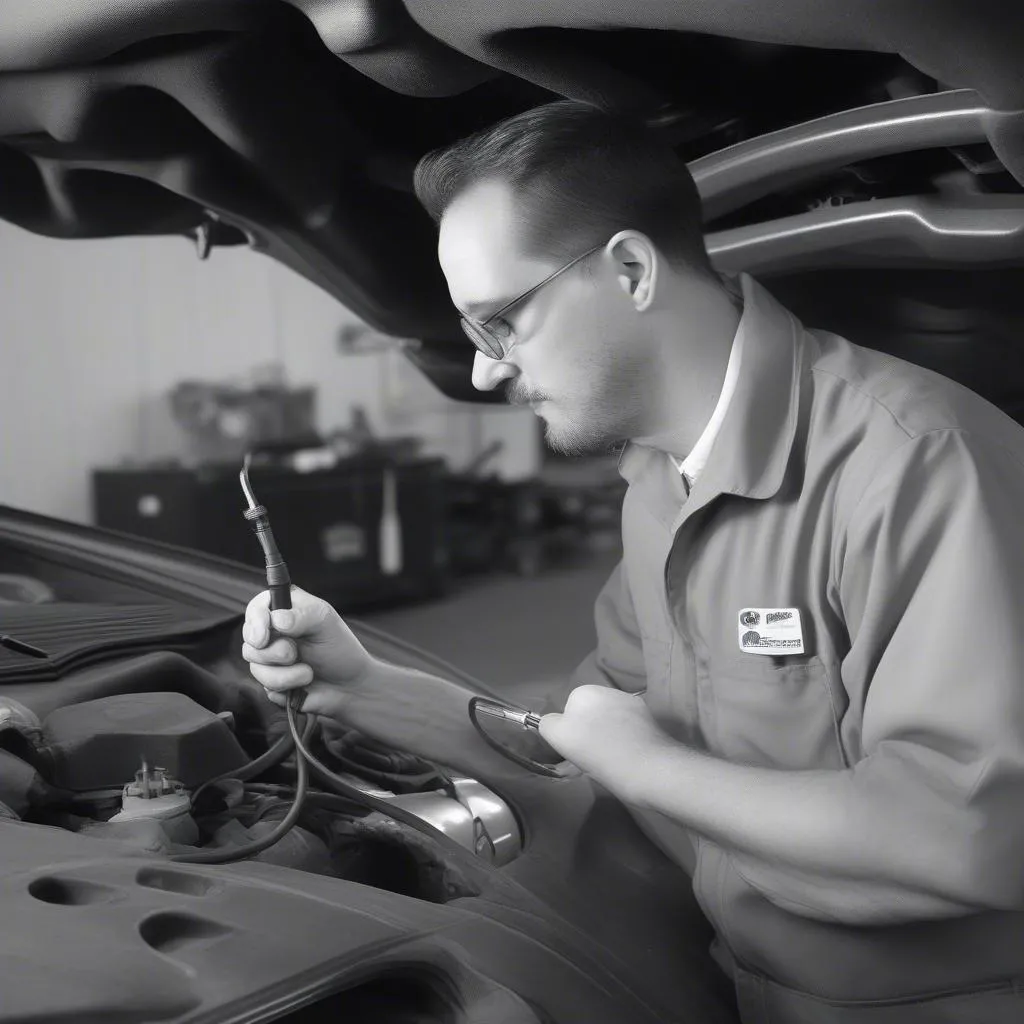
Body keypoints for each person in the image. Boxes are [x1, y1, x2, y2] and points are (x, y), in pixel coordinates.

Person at [243, 101, 1024, 1022]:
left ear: (629, 269)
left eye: (501, 322)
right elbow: (588, 745)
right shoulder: (661, 481)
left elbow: (971, 838)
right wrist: (368, 689)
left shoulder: (917, 462)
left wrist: (650, 768)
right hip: (749, 987)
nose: (486, 370)